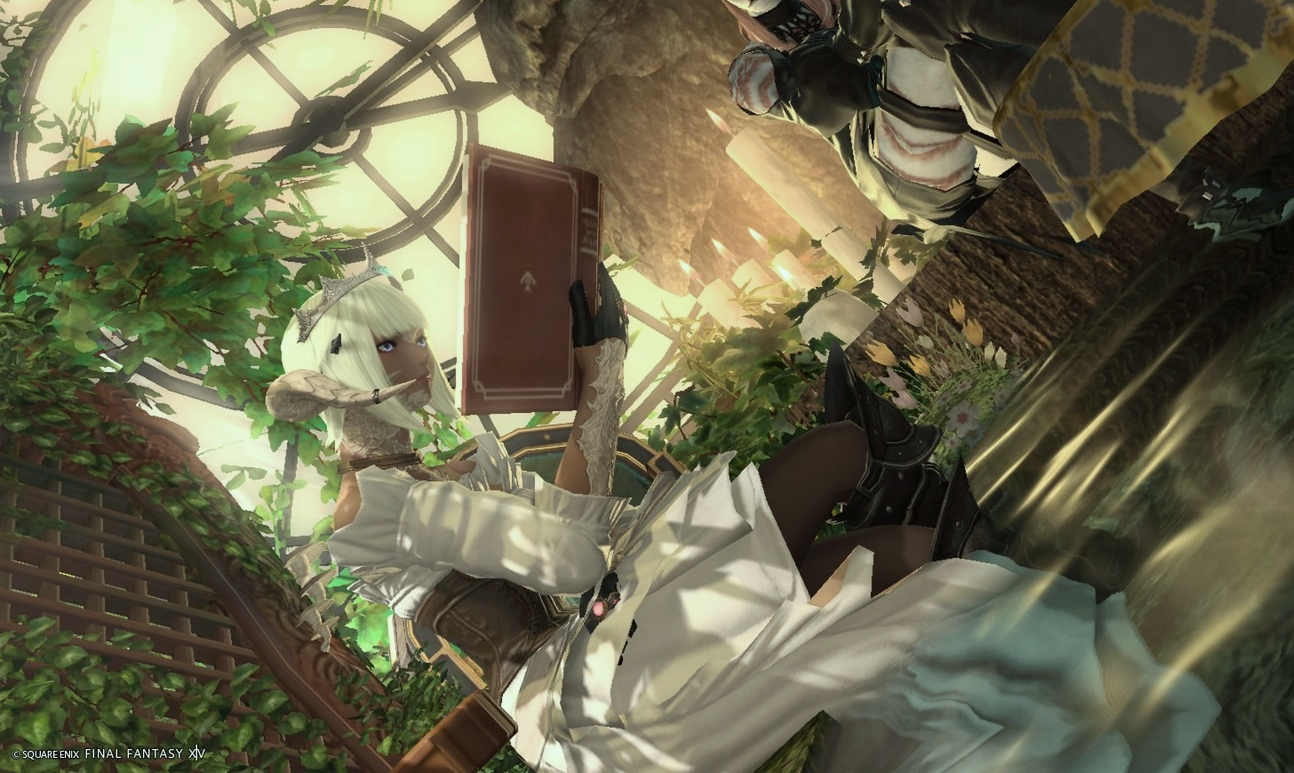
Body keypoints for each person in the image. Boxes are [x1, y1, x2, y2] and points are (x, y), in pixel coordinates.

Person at [268, 253, 1220, 773]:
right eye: (392, 347)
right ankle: (898, 471)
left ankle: (1020, 567)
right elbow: (567, 559)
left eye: (414, 337)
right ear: (342, 375)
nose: (420, 358)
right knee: (815, 479)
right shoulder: (376, 509)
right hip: (591, 706)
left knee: (900, 558)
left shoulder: (440, 469)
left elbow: (578, 529)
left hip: (611, 641)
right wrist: (595, 407)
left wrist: (598, 382)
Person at [694, 0, 1294, 243]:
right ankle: (1128, 40)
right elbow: (825, 99)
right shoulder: (755, 68)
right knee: (915, 10)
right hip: (909, 175)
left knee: (964, 33)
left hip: (969, 114)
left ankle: (1206, 199)